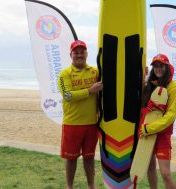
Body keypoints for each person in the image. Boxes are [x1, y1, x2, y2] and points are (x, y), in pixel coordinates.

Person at [57, 40, 103, 189]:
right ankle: (69, 186)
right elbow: (67, 96)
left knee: (89, 158)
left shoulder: (95, 71)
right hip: (72, 123)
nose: (79, 54)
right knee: (71, 159)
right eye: (76, 52)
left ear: (87, 54)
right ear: (71, 54)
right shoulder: (65, 74)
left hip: (92, 123)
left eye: (82, 51)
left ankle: (91, 185)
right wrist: (90, 90)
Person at [139, 54, 176, 189]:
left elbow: (171, 116)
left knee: (165, 174)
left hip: (161, 134)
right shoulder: (149, 85)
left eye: (161, 66)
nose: (158, 69)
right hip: (146, 133)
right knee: (150, 168)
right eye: (155, 66)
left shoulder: (174, 87)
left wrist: (149, 129)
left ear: (167, 67)